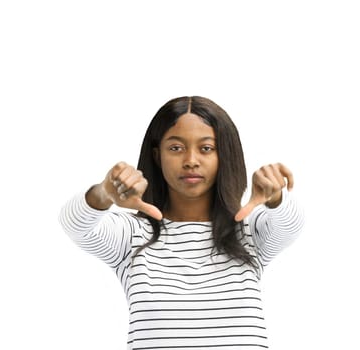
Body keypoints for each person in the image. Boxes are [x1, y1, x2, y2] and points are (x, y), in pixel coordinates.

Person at [59, 96, 305, 349]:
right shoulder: (132, 234)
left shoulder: (248, 231)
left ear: (225, 155)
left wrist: (275, 196)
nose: (191, 160)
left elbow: (291, 225)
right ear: (157, 155)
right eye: (176, 148)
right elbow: (74, 225)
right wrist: (103, 193)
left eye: (206, 148)